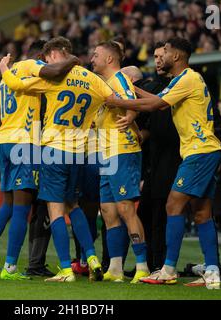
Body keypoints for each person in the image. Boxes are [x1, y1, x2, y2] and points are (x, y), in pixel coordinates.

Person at [106, 37, 221, 290]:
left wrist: (119, 102)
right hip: (205, 150)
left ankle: (168, 269)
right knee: (202, 212)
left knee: (173, 204)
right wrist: (131, 88)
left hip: (199, 151)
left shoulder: (187, 78)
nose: (161, 56)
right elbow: (157, 97)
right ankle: (212, 272)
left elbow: (156, 104)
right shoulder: (184, 80)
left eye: (166, 52)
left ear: (177, 57)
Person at [0, 36, 114, 282]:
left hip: (54, 150)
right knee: (74, 206)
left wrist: (3, 70)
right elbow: (113, 99)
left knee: (55, 211)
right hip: (79, 152)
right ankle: (91, 257)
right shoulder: (92, 79)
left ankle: (65, 269)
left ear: (55, 53)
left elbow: (16, 85)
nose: (45, 60)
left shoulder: (52, 78)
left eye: (48, 56)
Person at [0, 40, 79, 279]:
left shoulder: (7, 77)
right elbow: (54, 73)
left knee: (7, 205)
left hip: (4, 140)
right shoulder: (33, 66)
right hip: (24, 142)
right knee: (22, 208)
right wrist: (72, 60)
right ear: (42, 56)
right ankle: (10, 267)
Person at [91, 41, 149, 284]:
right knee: (108, 211)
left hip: (122, 151)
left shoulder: (120, 79)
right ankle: (115, 267)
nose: (92, 58)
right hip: (106, 153)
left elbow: (131, 102)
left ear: (109, 59)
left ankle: (142, 266)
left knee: (125, 208)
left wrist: (131, 117)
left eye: (96, 54)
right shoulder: (106, 85)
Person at [128, 41, 177, 273]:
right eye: (155, 56)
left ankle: (161, 263)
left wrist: (124, 94)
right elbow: (147, 125)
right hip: (154, 160)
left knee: (161, 211)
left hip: (173, 156)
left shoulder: (179, 85)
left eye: (162, 55)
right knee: (147, 212)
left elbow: (157, 105)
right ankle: (149, 263)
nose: (158, 60)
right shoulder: (154, 85)